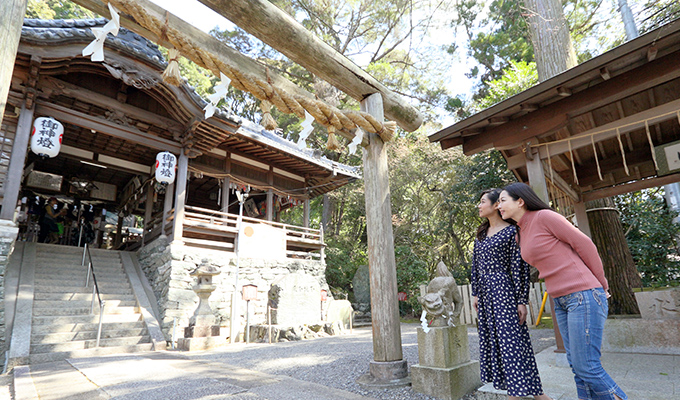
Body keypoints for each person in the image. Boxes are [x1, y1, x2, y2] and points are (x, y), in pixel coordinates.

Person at [498, 182, 627, 400]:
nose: (498, 205)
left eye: (502, 200)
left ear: (520, 201)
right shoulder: (520, 233)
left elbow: (585, 245)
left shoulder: (544, 217)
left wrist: (602, 284)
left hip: (583, 294)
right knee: (577, 368)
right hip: (560, 300)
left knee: (587, 367)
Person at [471, 188, 552, 400]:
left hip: (504, 291)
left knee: (513, 343)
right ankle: (536, 394)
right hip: (486, 296)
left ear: (496, 205)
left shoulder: (511, 232)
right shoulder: (480, 235)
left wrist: (521, 300)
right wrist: (475, 293)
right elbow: (475, 267)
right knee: (497, 342)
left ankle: (517, 396)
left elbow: (519, 267)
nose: (479, 206)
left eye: (482, 202)